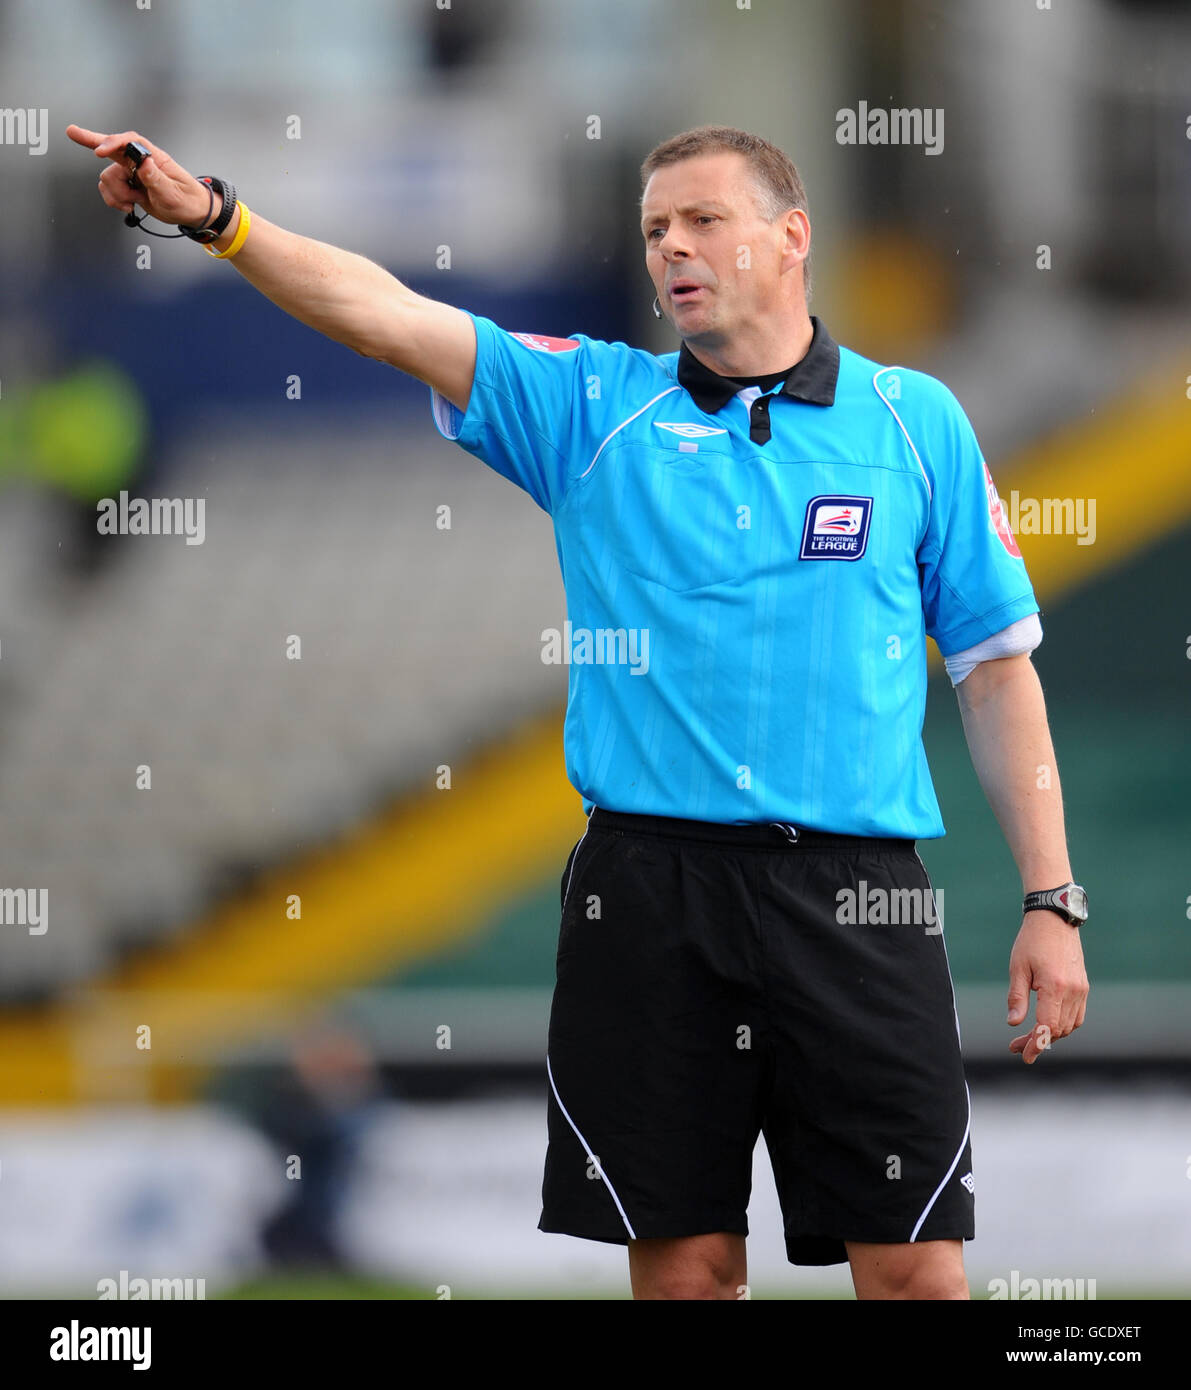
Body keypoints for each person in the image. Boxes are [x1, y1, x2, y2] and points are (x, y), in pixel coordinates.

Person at [67, 121, 1089, 1301]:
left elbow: (997, 669)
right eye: (655, 229)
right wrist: (218, 219)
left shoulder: (916, 422)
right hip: (650, 893)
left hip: (852, 895)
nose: (673, 248)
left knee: (916, 1269)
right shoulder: (594, 403)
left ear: (791, 235)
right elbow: (389, 314)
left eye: (704, 219)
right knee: (690, 1270)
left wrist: (1051, 897)